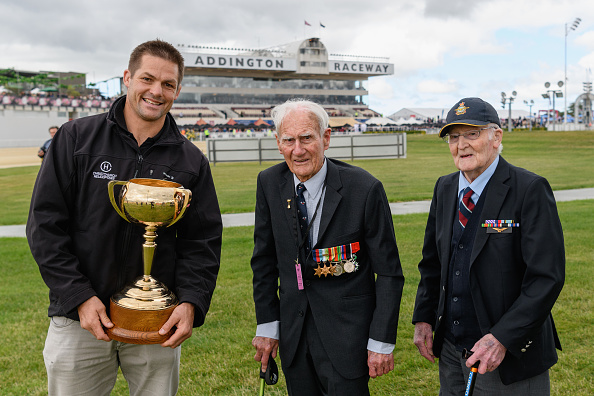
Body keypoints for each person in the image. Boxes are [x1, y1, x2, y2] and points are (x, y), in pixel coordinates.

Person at [26, 39, 223, 395]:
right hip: (79, 319)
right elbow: (45, 226)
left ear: (177, 91)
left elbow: (202, 242)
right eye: (147, 78)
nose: (156, 91)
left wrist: (192, 301)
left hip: (155, 323)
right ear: (127, 78)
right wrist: (78, 296)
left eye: (167, 84)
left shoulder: (191, 161)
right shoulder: (76, 138)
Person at [251, 99, 405, 395]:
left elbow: (389, 274)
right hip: (294, 338)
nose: (298, 150)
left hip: (347, 339)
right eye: (289, 140)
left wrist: (381, 342)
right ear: (278, 143)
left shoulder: (365, 188)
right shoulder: (269, 183)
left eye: (307, 138)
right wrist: (268, 326)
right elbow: (264, 261)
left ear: (326, 138)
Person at [412, 97, 565, 395]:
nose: (462, 144)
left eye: (472, 133)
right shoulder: (444, 188)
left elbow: (546, 277)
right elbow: (432, 262)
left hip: (507, 358)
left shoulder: (529, 189)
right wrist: (424, 317)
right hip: (452, 351)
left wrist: (502, 338)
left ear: (497, 137)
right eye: (454, 137)